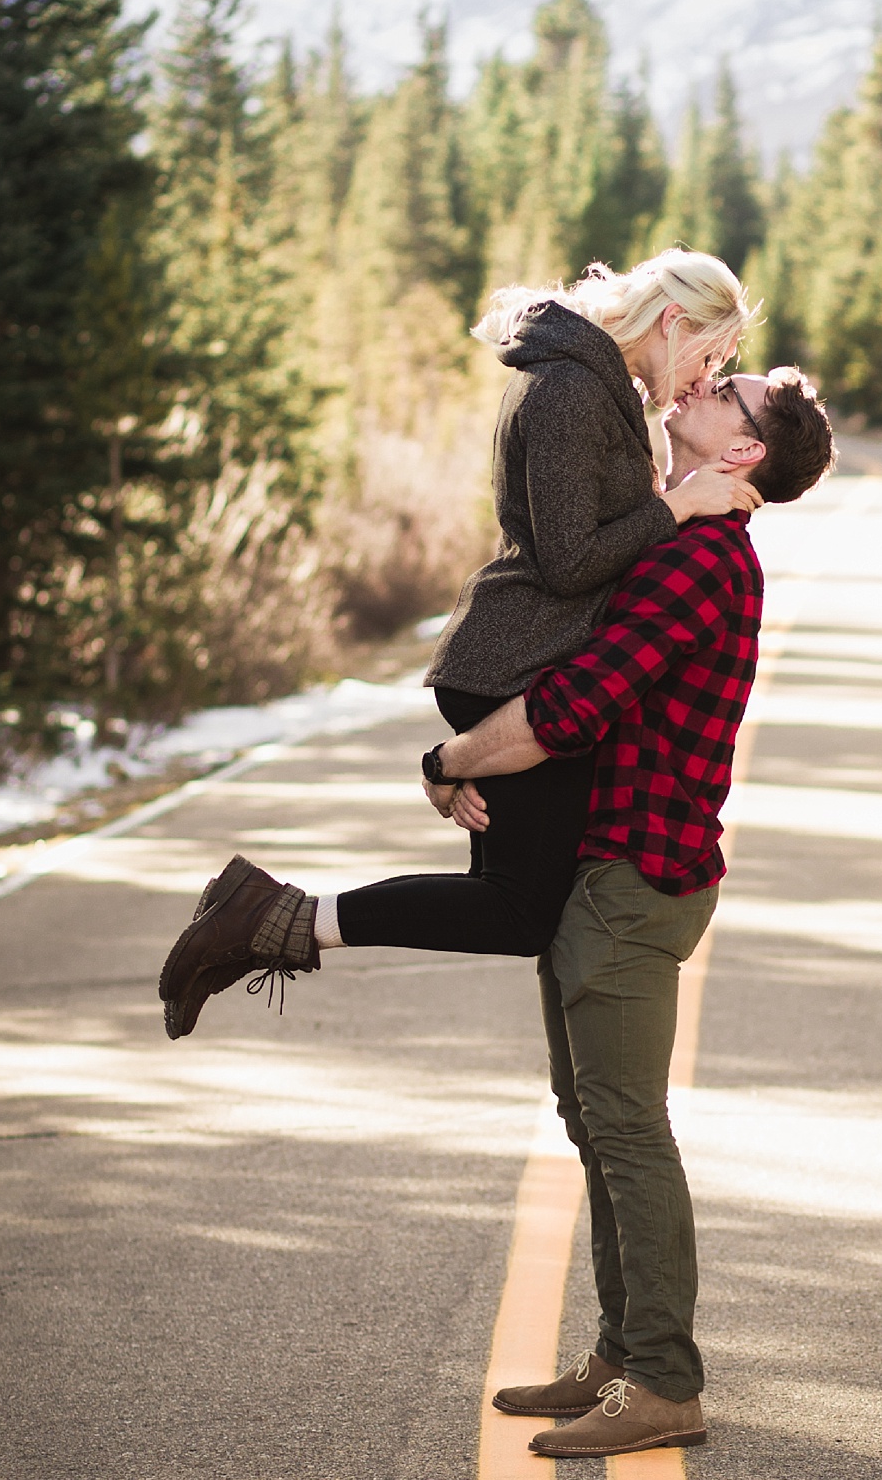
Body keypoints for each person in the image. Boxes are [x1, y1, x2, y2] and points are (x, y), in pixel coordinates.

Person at [159, 249, 758, 1037]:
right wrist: (678, 509)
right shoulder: (570, 389)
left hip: (523, 656)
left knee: (513, 903)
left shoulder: (597, 384)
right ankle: (267, 916)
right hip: (513, 660)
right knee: (518, 911)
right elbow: (568, 558)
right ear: (674, 321)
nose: (703, 377)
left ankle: (266, 920)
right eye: (709, 355)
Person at [433, 365, 835, 1456]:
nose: (700, 383)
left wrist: (446, 758)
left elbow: (568, 708)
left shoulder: (699, 562)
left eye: (727, 391)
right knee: (590, 1119)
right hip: (600, 868)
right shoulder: (669, 539)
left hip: (631, 879)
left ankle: (663, 1379)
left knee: (624, 1126)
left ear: (742, 450)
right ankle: (619, 1351)